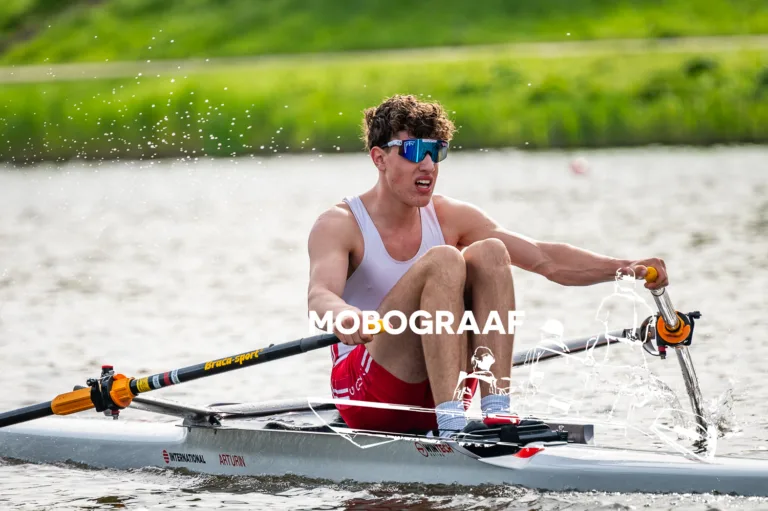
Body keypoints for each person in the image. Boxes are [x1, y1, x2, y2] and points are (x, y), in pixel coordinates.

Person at [306, 94, 668, 438]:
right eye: (414, 151)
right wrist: (343, 314)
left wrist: (626, 267)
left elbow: (545, 259)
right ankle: (452, 426)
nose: (428, 165)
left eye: (436, 151)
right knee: (445, 260)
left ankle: (496, 411)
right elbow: (320, 295)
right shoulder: (341, 223)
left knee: (492, 251)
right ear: (379, 158)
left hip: (442, 386)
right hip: (368, 397)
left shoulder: (451, 216)